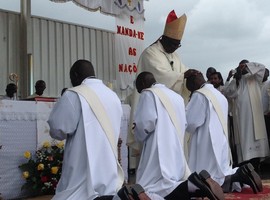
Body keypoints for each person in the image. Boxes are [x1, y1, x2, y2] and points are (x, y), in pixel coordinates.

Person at [48, 60, 148, 200]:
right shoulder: (112, 95)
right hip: (108, 169)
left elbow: (57, 130)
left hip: (82, 168)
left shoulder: (73, 94)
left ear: (75, 75)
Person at [133, 71, 225, 200]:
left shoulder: (148, 94)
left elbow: (144, 124)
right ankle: (196, 186)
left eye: (138, 88)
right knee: (171, 183)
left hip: (157, 148)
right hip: (175, 147)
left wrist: (137, 133)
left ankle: (195, 185)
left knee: (149, 187)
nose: (139, 91)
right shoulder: (176, 97)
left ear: (143, 83)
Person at [127, 10, 194, 170]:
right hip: (156, 112)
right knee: (156, 155)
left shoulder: (174, 56)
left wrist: (190, 77)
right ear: (163, 38)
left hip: (172, 112)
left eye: (178, 45)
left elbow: (182, 74)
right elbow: (161, 77)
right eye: (172, 44)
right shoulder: (151, 53)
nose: (174, 48)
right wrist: (184, 75)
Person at [185, 71, 263, 193]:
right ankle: (241, 175)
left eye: (188, 86)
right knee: (220, 170)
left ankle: (237, 176)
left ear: (193, 81)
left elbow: (191, 123)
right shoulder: (218, 94)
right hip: (221, 139)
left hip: (206, 141)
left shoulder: (200, 95)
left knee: (207, 176)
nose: (188, 89)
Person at [224, 60, 270, 170]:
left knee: (256, 140)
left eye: (244, 66)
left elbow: (263, 69)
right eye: (241, 67)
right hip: (242, 118)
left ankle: (256, 166)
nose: (243, 69)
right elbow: (229, 93)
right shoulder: (236, 80)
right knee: (245, 139)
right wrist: (237, 79)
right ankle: (246, 169)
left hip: (256, 115)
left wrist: (248, 66)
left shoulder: (254, 77)